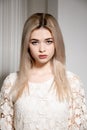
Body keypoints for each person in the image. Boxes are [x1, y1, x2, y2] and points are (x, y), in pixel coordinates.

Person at [0, 13, 87, 130]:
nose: (42, 49)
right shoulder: (11, 82)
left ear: (57, 43)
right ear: (27, 45)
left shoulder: (72, 82)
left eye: (48, 41)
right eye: (35, 42)